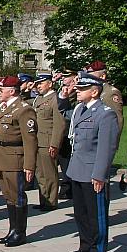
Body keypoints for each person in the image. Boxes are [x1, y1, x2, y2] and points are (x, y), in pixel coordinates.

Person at [66, 73, 120, 252]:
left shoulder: (105, 113)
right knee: (81, 212)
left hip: (92, 172)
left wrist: (100, 175)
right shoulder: (79, 109)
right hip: (77, 169)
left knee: (96, 213)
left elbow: (107, 148)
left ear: (94, 91)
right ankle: (85, 244)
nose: (77, 91)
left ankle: (98, 248)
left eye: (82, 89)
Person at [0, 76, 38, 247]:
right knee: (8, 196)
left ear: (12, 91)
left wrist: (29, 165)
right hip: (1, 156)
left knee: (18, 197)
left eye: (1, 90)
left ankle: (20, 232)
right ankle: (12, 230)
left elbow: (30, 141)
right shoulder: (3, 106)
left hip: (15, 157)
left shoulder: (23, 110)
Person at [31, 73, 66, 211]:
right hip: (37, 140)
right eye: (37, 83)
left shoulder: (55, 99)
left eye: (41, 83)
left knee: (49, 173)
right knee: (40, 173)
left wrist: (55, 143)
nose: (38, 86)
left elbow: (59, 123)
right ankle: (43, 199)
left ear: (50, 84)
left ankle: (51, 201)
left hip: (47, 140)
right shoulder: (38, 99)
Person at [56, 70, 79, 200]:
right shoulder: (61, 88)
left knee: (67, 162)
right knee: (60, 160)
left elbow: (71, 110)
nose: (64, 79)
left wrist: (70, 92)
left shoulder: (77, 91)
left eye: (67, 76)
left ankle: (68, 188)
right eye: (63, 77)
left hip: (68, 132)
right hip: (59, 131)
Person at [86, 61, 124, 139]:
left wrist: (111, 143)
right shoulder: (90, 91)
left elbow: (117, 120)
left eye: (91, 76)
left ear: (102, 76)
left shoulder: (110, 93)